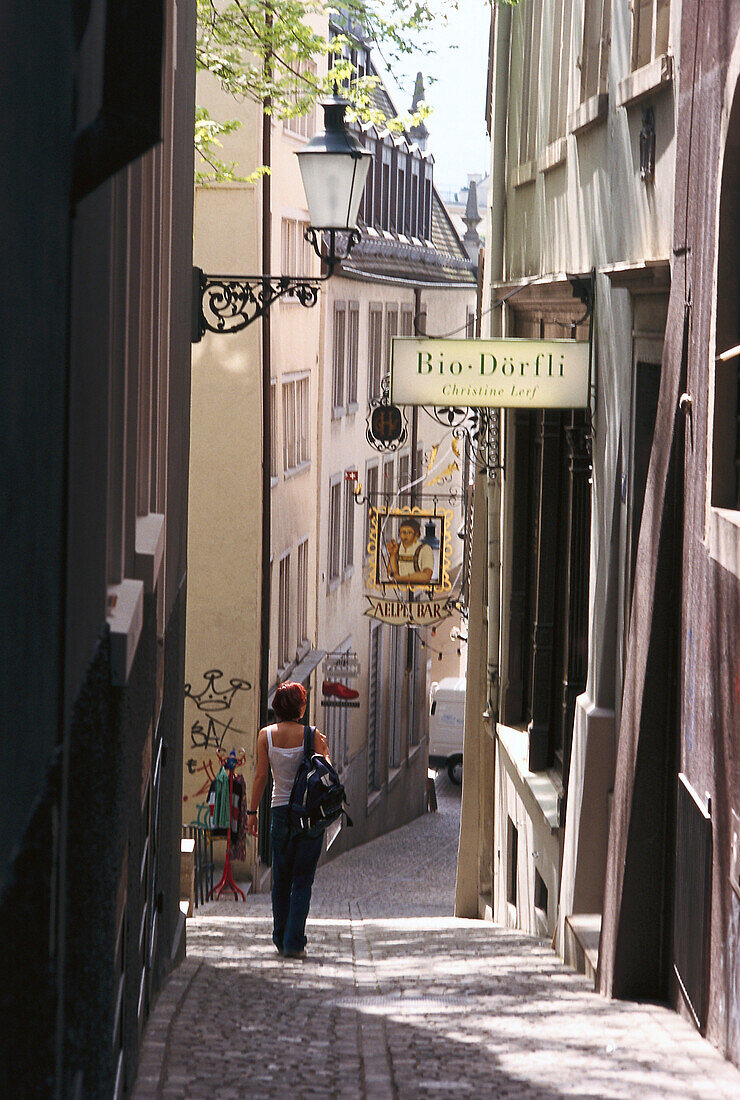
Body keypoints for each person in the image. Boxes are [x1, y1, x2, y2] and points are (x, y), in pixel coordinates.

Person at [246, 681, 330, 959]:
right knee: (302, 880)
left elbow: (260, 777)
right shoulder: (313, 735)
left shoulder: (265, 736)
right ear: (301, 707)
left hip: (280, 812)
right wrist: (324, 752)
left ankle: (280, 937)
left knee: (280, 879)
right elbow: (326, 775)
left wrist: (252, 812)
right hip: (308, 815)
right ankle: (295, 942)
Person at [385, 516, 435, 584]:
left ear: (416, 534)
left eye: (409, 532)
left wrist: (400, 579)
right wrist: (392, 554)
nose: (405, 535)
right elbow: (391, 575)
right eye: (403, 532)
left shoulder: (425, 549)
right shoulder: (397, 548)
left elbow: (426, 575)